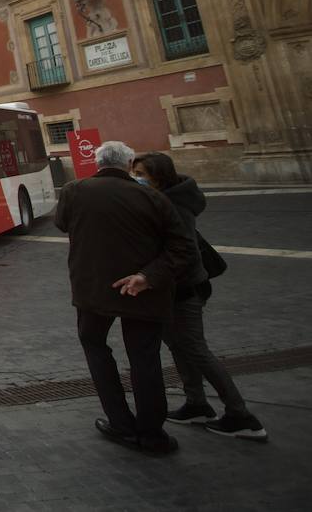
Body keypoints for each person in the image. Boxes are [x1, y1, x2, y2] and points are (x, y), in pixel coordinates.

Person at [54, 140, 196, 455]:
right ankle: (152, 435)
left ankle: (120, 422)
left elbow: (61, 222)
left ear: (97, 163)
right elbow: (183, 247)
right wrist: (148, 277)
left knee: (95, 347)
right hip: (142, 290)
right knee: (145, 359)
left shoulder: (75, 191)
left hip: (94, 291)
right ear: (129, 164)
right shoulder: (153, 197)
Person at [132, 152, 267, 441]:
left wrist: (150, 276)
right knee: (178, 346)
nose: (136, 178)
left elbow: (184, 253)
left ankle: (241, 416)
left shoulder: (174, 206)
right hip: (169, 289)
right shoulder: (162, 200)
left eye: (141, 173)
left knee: (195, 348)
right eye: (134, 172)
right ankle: (196, 403)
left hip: (184, 289)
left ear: (158, 177)